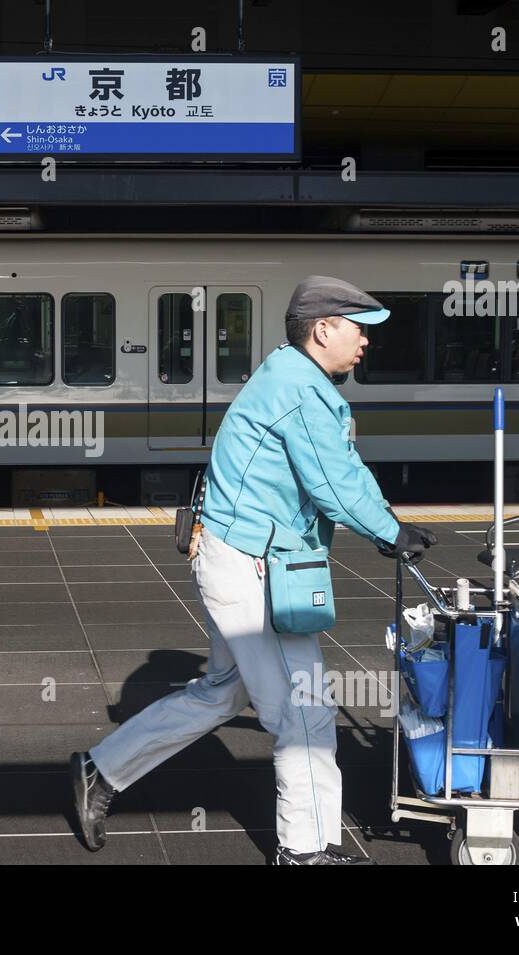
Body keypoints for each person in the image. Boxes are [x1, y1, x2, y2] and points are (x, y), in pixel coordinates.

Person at [70, 276, 438, 865]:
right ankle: (304, 850)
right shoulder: (300, 390)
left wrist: (388, 519)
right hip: (252, 570)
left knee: (221, 693)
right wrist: (389, 532)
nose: (366, 342)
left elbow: (343, 467)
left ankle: (100, 769)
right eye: (358, 329)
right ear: (324, 329)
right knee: (302, 709)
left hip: (246, 559)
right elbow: (333, 482)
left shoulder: (292, 376)